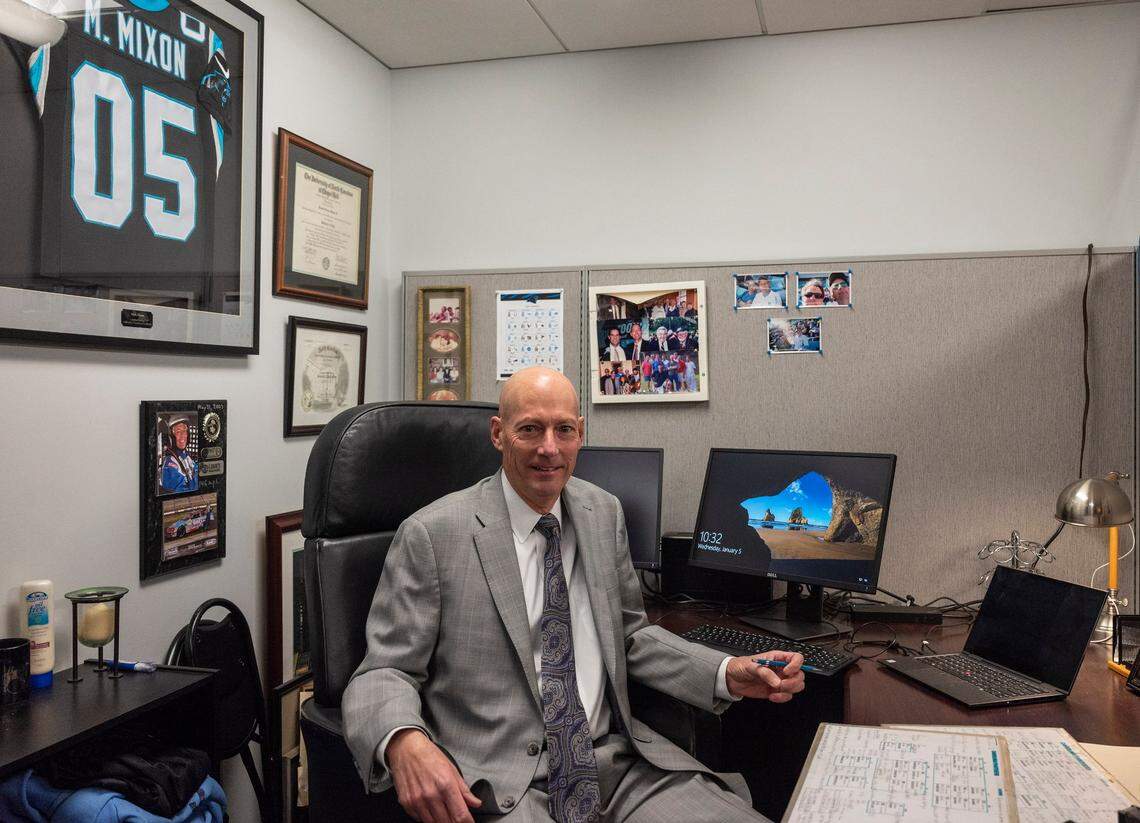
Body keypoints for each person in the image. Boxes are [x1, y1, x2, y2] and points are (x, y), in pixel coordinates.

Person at [343, 367, 805, 823]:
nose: (549, 448)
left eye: (563, 429)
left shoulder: (601, 512)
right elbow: (384, 671)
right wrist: (405, 742)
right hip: (505, 787)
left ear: (580, 433)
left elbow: (630, 637)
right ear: (498, 434)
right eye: (530, 430)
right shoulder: (433, 534)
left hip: (620, 769)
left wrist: (726, 672)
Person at [160, 416, 198, 494]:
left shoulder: (185, 456)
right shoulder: (170, 465)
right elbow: (185, 492)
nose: (183, 435)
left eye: (185, 430)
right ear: (171, 438)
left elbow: (195, 467)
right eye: (178, 431)